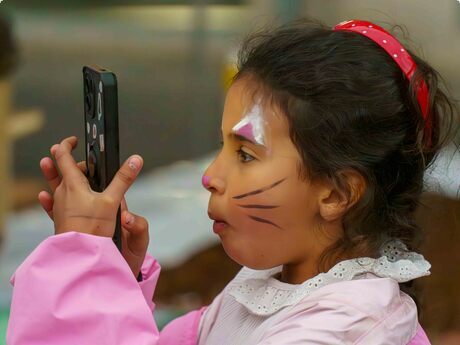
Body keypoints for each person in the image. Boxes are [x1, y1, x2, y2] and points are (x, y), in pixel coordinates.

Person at [7, 19, 459, 344]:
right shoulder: (266, 286)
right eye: (221, 148)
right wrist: (108, 277)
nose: (210, 177)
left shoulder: (344, 329)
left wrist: (81, 269)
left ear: (337, 193)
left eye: (244, 153)